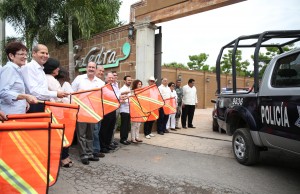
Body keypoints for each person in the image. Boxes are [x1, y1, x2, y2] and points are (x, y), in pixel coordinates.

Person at [72, 61, 104, 165]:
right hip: (81, 111)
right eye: (89, 67)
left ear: (95, 69)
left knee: (91, 134)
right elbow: (72, 93)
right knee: (81, 135)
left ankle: (90, 153)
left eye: (93, 67)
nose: (91, 69)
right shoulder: (79, 79)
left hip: (93, 112)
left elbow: (102, 97)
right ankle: (83, 154)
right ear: (86, 68)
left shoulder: (100, 82)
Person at [43, 58, 73, 168]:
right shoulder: (49, 79)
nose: (59, 69)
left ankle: (63, 157)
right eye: (57, 67)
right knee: (60, 136)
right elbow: (60, 96)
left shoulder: (51, 79)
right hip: (55, 111)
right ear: (51, 69)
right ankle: (63, 158)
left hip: (57, 111)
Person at [21, 44, 68, 112]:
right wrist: (55, 94)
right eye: (42, 53)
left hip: (43, 104)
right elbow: (34, 91)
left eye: (47, 53)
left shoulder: (41, 70)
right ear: (34, 53)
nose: (45, 56)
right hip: (34, 105)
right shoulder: (29, 67)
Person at [0, 41, 38, 114]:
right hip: (9, 115)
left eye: (26, 54)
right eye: (21, 54)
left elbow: (16, 91)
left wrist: (24, 101)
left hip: (19, 114)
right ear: (11, 56)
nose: (25, 57)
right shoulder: (9, 69)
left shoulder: (18, 70)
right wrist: (25, 96)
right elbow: (2, 92)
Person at [99, 72, 117, 153]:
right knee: (104, 129)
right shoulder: (103, 86)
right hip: (106, 110)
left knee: (110, 128)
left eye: (112, 78)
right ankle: (102, 146)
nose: (111, 79)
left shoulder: (113, 86)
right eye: (109, 77)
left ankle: (107, 144)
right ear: (105, 78)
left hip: (113, 110)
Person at [92, 65, 106, 158]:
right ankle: (95, 150)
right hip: (90, 110)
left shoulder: (102, 83)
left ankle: (95, 149)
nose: (101, 72)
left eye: (102, 71)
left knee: (97, 130)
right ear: (95, 70)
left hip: (99, 110)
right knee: (94, 131)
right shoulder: (87, 80)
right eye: (99, 70)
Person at [119, 75, 132, 144]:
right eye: (128, 80)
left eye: (130, 80)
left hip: (129, 109)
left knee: (127, 125)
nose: (130, 81)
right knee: (124, 125)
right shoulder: (122, 89)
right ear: (124, 81)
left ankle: (125, 138)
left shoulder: (130, 89)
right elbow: (121, 99)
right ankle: (123, 139)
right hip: (124, 109)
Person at [111, 71, 120, 147]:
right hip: (112, 107)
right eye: (113, 75)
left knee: (115, 125)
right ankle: (110, 141)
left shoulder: (117, 84)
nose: (115, 77)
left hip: (118, 106)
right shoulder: (109, 85)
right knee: (111, 125)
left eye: (116, 75)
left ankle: (112, 139)